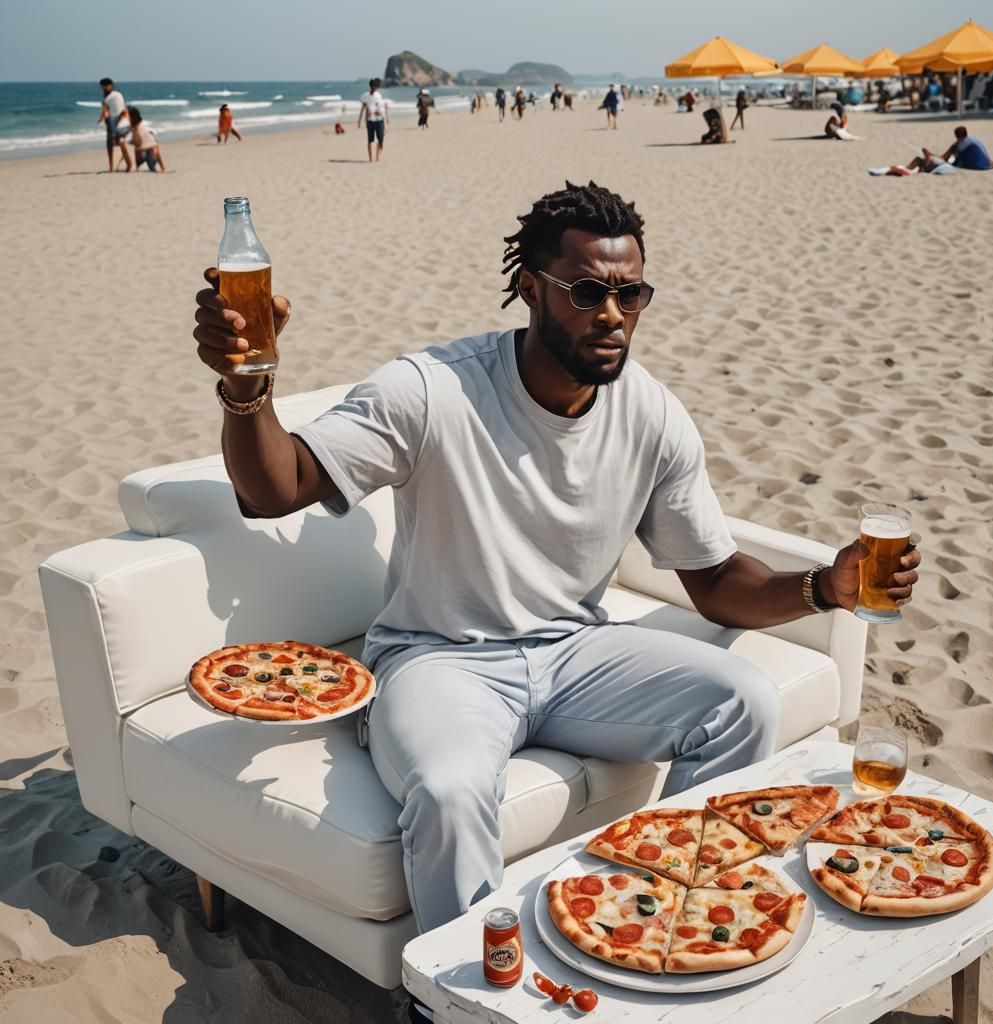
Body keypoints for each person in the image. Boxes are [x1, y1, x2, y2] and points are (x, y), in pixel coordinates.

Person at [192, 180, 921, 947]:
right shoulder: (433, 391)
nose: (611, 315)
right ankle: (459, 995)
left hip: (576, 651)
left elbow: (714, 584)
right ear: (529, 290)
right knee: (447, 790)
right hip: (442, 661)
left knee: (744, 700)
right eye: (585, 292)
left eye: (630, 294)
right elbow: (277, 489)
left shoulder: (652, 414)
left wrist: (826, 588)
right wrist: (247, 387)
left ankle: (652, 921)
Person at [98, 77, 132, 172]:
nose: (103, 89)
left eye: (104, 87)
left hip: (113, 121)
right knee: (120, 143)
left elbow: (105, 113)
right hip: (123, 121)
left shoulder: (107, 98)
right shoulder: (119, 94)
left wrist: (100, 120)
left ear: (109, 86)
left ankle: (111, 167)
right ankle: (123, 161)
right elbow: (124, 108)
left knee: (110, 144)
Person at [358, 78, 389, 162]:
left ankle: (378, 155)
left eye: (375, 86)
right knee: (370, 140)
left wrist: (386, 118)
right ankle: (371, 158)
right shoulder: (365, 96)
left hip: (379, 120)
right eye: (373, 86)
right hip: (370, 121)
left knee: (381, 139)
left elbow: (383, 107)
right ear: (370, 86)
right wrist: (360, 120)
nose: (374, 88)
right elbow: (363, 107)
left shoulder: (378, 95)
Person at [127, 106, 165, 171]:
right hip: (143, 155)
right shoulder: (135, 126)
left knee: (154, 148)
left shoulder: (140, 127)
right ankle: (161, 167)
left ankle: (162, 167)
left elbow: (139, 142)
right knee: (153, 147)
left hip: (144, 155)